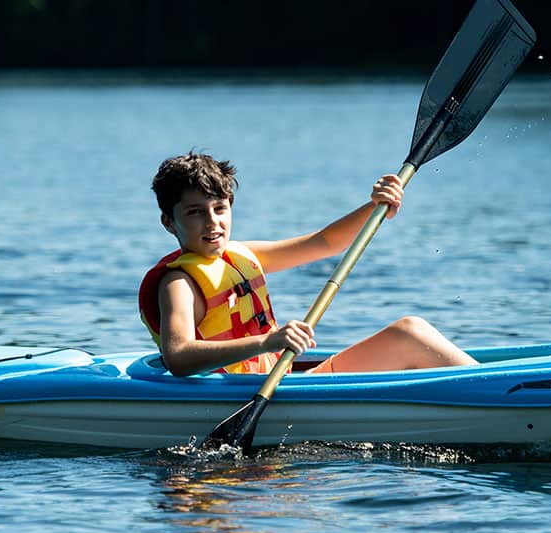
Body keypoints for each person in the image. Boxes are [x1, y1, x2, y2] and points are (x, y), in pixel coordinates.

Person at [139, 151, 477, 377]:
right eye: (195, 213)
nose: (212, 222)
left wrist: (375, 207)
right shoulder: (179, 284)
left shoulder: (241, 256)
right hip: (255, 395)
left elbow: (325, 242)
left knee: (411, 334)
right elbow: (179, 358)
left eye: (219, 208)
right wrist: (268, 342)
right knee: (410, 334)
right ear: (169, 222)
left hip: (281, 381)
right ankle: (501, 397)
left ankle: (487, 389)